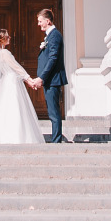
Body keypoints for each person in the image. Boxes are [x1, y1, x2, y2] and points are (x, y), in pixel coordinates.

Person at [0, 27, 44, 144]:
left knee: (4, 108)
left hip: (5, 81)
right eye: (7, 36)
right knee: (14, 108)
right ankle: (16, 136)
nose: (10, 37)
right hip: (11, 82)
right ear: (3, 39)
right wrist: (29, 80)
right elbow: (16, 67)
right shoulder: (4, 53)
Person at [25, 8, 68, 143]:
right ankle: (56, 140)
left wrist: (41, 77)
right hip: (50, 80)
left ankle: (56, 142)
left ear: (47, 21)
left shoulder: (54, 35)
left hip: (53, 80)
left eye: (40, 21)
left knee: (54, 113)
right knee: (52, 111)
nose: (38, 24)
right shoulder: (50, 36)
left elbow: (53, 58)